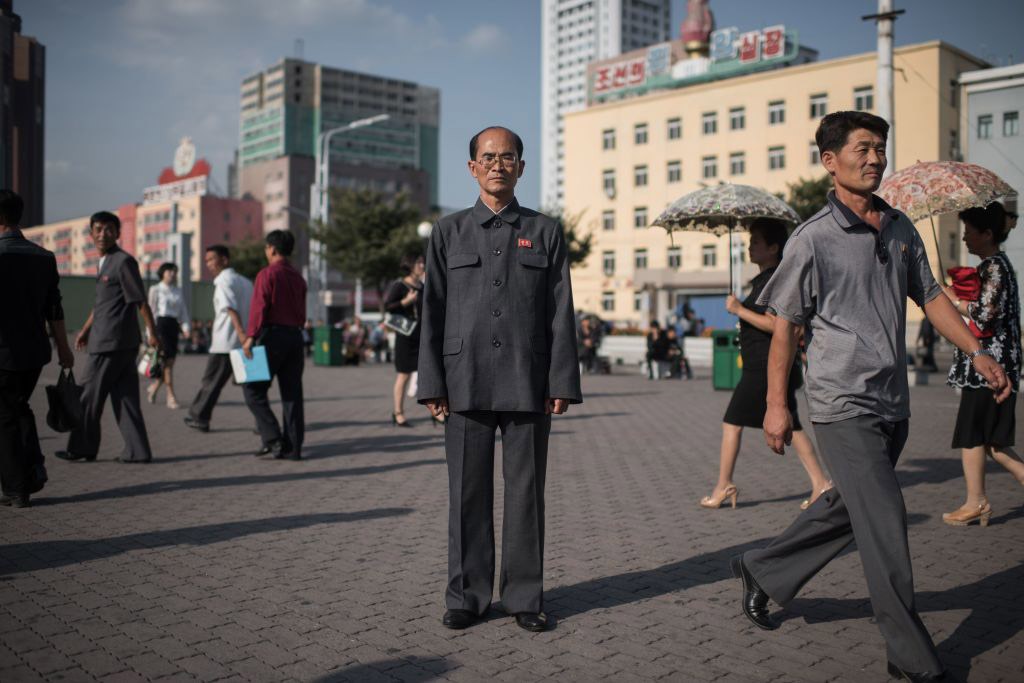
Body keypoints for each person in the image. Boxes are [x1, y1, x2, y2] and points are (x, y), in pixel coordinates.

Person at [732, 111, 1010, 682]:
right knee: (885, 518)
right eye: (862, 148)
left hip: (892, 401)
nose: (875, 158)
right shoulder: (812, 239)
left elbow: (931, 297)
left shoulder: (901, 227)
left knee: (852, 507)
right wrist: (777, 404)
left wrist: (977, 349)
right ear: (830, 161)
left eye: (880, 148)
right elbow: (785, 324)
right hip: (841, 404)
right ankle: (910, 656)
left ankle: (763, 569)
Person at [417, 126, 581, 633]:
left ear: (521, 167)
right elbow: (433, 309)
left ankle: (524, 596)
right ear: (472, 168)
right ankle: (467, 595)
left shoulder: (546, 231)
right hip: (463, 379)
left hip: (527, 379)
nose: (497, 164)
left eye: (507, 157)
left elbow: (560, 310)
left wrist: (561, 382)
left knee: (526, 492)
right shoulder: (448, 232)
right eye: (487, 157)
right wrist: (432, 384)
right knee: (466, 492)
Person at [701, 219, 831, 511]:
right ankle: (821, 483)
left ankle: (724, 485)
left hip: (764, 366)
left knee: (732, 423)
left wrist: (738, 310)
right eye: (750, 241)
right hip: (763, 364)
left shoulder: (775, 280)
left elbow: (779, 326)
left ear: (774, 248)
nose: (750, 246)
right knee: (792, 426)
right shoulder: (763, 280)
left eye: (757, 242)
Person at [941, 202, 1024, 526]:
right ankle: (977, 501)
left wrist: (952, 299)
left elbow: (985, 314)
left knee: (975, 435)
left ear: (987, 234)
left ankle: (976, 501)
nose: (964, 240)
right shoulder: (995, 266)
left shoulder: (994, 267)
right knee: (992, 439)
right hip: (993, 363)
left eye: (969, 233)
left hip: (989, 366)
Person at [57, 211, 160, 464]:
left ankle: (82, 448)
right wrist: (85, 328)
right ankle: (138, 451)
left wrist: (152, 333)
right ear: (91, 233)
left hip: (110, 343)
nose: (103, 234)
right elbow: (104, 304)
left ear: (118, 233)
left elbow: (140, 301)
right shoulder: (103, 263)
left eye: (109, 229)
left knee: (87, 397)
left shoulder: (123, 262)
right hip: (115, 341)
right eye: (99, 229)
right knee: (125, 399)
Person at [0, 190, 75, 507]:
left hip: (2, 353)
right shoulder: (44, 257)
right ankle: (33, 471)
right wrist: (64, 349)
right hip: (33, 353)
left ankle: (18, 487)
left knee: (4, 417)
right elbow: (54, 309)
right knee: (19, 407)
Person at [242, 229, 307, 461]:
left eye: (266, 248)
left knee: (253, 390)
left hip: (272, 337)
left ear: (272, 249)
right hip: (295, 338)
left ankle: (273, 439)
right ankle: (293, 448)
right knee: (292, 394)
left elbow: (259, 308)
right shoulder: (299, 278)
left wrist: (250, 337)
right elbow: (302, 314)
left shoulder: (267, 274)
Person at [184, 245, 254, 433]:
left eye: (211, 259)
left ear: (225, 260)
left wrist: (240, 334)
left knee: (211, 382)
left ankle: (200, 417)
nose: (208, 264)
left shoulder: (223, 281)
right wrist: (248, 338)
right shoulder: (247, 283)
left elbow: (231, 308)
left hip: (226, 343)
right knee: (252, 387)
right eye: (206, 260)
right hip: (245, 343)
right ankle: (264, 424)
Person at [383, 251, 428, 427]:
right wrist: (405, 302)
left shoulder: (423, 287)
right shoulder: (400, 286)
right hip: (405, 337)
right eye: (419, 263)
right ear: (410, 265)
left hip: (421, 337)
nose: (422, 266)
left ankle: (436, 411)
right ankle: (398, 412)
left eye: (423, 263)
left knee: (428, 374)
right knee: (403, 376)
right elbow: (388, 307)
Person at [146, 262, 190, 409]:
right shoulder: (155, 289)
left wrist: (185, 327)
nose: (172, 274)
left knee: (168, 363)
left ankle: (154, 387)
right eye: (169, 271)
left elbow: (183, 311)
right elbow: (150, 313)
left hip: (173, 327)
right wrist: (150, 333)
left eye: (174, 271)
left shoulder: (178, 291)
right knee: (167, 364)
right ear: (162, 273)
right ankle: (170, 397)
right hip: (160, 327)